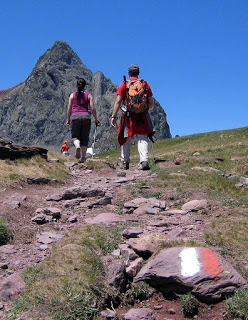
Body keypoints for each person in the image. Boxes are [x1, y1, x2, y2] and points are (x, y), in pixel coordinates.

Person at [111, 64, 154, 170]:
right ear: (138, 73)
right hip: (141, 115)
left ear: (128, 73)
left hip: (128, 116)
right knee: (142, 137)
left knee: (126, 137)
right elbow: (151, 101)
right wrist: (145, 108)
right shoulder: (144, 84)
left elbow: (118, 101)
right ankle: (144, 160)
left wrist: (113, 116)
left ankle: (125, 162)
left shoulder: (124, 85)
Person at [66, 78, 99, 163]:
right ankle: (83, 157)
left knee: (75, 136)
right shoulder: (88, 95)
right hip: (86, 117)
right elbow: (92, 108)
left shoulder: (72, 95)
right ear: (85, 86)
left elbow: (69, 108)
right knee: (84, 138)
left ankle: (77, 146)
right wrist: (96, 119)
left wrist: (68, 120)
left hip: (75, 117)